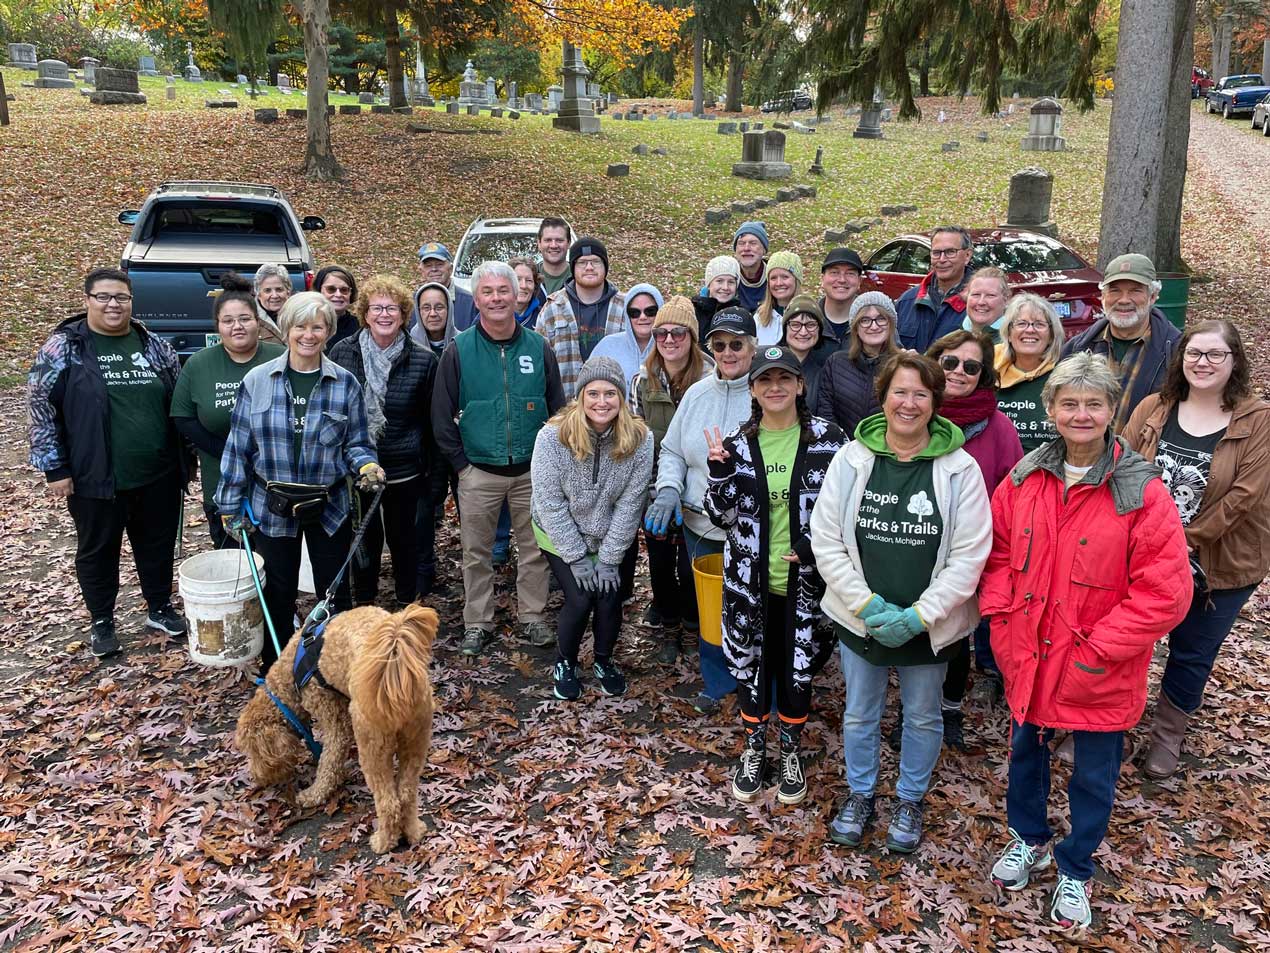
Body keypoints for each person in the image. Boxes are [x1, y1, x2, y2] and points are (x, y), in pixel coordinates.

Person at [980, 352, 1190, 931]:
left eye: (1092, 404)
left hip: (1099, 666)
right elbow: (995, 556)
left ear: (1110, 410)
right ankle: (1029, 839)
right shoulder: (1024, 478)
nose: (1080, 414)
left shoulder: (1139, 491)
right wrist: (1000, 623)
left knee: (1094, 775)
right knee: (1025, 757)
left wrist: (1100, 648)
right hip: (1029, 654)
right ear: (1050, 410)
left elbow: (1165, 593)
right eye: (1068, 403)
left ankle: (1075, 867)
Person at [811, 352, 991, 854]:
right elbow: (826, 539)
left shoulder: (960, 469)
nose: (908, 404)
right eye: (899, 392)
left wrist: (919, 615)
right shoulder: (852, 459)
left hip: (928, 626)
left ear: (935, 402)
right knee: (860, 712)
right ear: (883, 397)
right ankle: (861, 794)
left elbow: (970, 553)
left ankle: (909, 799)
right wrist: (866, 606)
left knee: (924, 714)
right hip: (860, 618)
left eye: (920, 394)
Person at [1124, 321, 1270, 780]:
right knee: (1128, 641)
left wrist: (1180, 544)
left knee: (1190, 651)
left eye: (1214, 355)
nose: (1201, 363)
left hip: (1220, 564)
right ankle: (1104, 725)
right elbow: (1123, 466)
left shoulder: (1258, 419)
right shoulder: (1155, 408)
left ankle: (1167, 734)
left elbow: (1244, 497)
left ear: (1234, 362)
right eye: (1193, 354)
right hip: (1142, 554)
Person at [703, 346, 845, 805]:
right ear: (754, 389)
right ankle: (753, 746)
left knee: (796, 670)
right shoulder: (738, 443)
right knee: (750, 665)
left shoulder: (829, 440)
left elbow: (846, 508)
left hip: (807, 585)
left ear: (801, 385)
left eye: (785, 378)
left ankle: (789, 750)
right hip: (750, 583)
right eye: (765, 380)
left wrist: (814, 545)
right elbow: (719, 516)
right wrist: (720, 475)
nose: (775, 387)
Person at [216, 292, 385, 672]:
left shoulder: (345, 384)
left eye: (318, 327)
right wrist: (229, 505)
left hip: (328, 506)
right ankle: (277, 668)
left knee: (335, 593)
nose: (308, 335)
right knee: (277, 593)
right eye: (300, 326)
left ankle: (332, 668)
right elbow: (238, 446)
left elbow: (356, 444)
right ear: (287, 329)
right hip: (270, 505)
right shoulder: (257, 380)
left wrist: (367, 466)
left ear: (328, 331)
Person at [28, 267, 191, 658]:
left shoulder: (153, 345)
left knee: (156, 544)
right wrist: (55, 467)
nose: (113, 304)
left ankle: (159, 607)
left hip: (158, 472)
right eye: (103, 296)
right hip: (94, 475)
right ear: (87, 300)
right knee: (98, 549)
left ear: (132, 300)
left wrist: (186, 455)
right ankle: (102, 620)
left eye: (121, 297)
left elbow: (177, 400)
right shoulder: (64, 347)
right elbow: (40, 407)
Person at [432, 261, 566, 656]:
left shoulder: (538, 347)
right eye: (487, 292)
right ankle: (478, 622)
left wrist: (549, 464)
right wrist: (462, 467)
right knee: (475, 553)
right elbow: (441, 417)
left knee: (534, 549)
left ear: (516, 295)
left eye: (502, 291)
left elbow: (558, 410)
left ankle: (532, 617)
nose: (496, 298)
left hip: (530, 472)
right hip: (478, 472)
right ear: (477, 299)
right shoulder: (459, 350)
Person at [650, 307, 758, 713]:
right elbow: (674, 449)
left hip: (750, 527)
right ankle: (716, 681)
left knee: (750, 605)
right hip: (700, 526)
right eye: (720, 345)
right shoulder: (696, 394)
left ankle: (753, 679)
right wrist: (667, 490)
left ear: (752, 346)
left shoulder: (764, 393)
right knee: (711, 608)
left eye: (736, 344)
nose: (728, 353)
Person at [921, 329, 1023, 748]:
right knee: (915, 634)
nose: (958, 372)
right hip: (914, 541)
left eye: (971, 366)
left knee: (955, 635)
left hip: (969, 550)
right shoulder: (915, 411)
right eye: (950, 362)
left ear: (983, 375)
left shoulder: (998, 428)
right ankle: (916, 712)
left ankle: (949, 710)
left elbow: (1013, 492)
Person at [531, 356, 654, 700]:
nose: (602, 402)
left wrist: (611, 557)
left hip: (613, 531)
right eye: (594, 393)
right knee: (581, 596)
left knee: (610, 596)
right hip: (559, 531)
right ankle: (565, 663)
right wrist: (577, 557)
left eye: (610, 393)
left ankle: (603, 660)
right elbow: (549, 504)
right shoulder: (552, 438)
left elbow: (631, 504)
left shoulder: (641, 441)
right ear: (581, 396)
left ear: (622, 398)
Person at [330, 275, 439, 605]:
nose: (384, 315)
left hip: (405, 468)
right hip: (358, 471)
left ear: (404, 314)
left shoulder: (422, 359)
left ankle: (407, 603)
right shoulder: (342, 353)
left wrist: (435, 477)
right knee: (365, 541)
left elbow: (432, 423)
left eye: (392, 308)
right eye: (376, 308)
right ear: (365, 313)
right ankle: (364, 603)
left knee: (405, 541)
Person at [172, 273, 284, 548]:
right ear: (217, 326)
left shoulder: (280, 357)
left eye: (245, 319)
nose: (238, 326)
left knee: (277, 569)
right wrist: (224, 449)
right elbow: (182, 416)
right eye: (228, 321)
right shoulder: (199, 363)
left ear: (257, 322)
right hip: (223, 483)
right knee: (234, 565)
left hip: (278, 487)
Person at [633, 296, 713, 662]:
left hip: (700, 492)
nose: (668, 339)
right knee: (662, 563)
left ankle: (694, 622)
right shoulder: (641, 382)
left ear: (692, 337)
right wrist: (652, 493)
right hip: (656, 487)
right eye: (661, 332)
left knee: (691, 566)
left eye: (678, 332)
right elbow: (636, 440)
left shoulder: (712, 379)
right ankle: (667, 627)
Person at [1060, 252, 1182, 433]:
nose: (1124, 300)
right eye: (1115, 290)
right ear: (1103, 296)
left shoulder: (1177, 352)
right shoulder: (1077, 348)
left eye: (1135, 290)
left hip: (1143, 458)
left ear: (1153, 296)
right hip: (1085, 456)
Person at [535, 236, 627, 398]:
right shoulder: (553, 308)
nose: (589, 267)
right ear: (573, 267)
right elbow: (540, 363)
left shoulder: (625, 307)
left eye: (596, 262)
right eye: (582, 262)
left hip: (613, 405)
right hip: (566, 407)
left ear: (605, 266)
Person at [814, 292, 900, 438]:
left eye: (881, 319)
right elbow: (825, 411)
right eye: (865, 320)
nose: (874, 326)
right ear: (855, 327)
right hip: (842, 450)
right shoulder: (836, 363)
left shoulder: (902, 366)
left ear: (891, 324)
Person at [994, 294, 1065, 453]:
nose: (1030, 330)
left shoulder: (1065, 377)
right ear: (1009, 334)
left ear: (1051, 335)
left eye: (1039, 324)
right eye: (1021, 323)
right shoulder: (989, 371)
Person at [895, 226, 974, 353]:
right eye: (936, 253)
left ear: (967, 256)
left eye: (950, 252)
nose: (942, 260)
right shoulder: (906, 301)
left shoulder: (978, 305)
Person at [591, 282, 661, 398]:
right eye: (635, 313)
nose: (643, 317)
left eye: (650, 311)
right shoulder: (607, 346)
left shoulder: (670, 346)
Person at [780, 294, 833, 406]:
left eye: (810, 325)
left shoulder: (824, 371)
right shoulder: (769, 363)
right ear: (785, 328)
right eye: (795, 325)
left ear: (819, 329)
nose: (803, 332)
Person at [414, 241, 478, 332]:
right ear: (421, 271)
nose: (434, 269)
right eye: (428, 266)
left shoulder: (471, 302)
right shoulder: (412, 303)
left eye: (439, 264)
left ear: (451, 268)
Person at [754, 250, 802, 346]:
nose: (779, 283)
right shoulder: (759, 318)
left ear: (796, 280)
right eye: (773, 278)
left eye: (785, 277)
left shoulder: (808, 315)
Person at [819, 247, 865, 345]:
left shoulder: (875, 322)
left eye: (850, 273)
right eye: (834, 273)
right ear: (822, 279)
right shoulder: (807, 319)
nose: (842, 280)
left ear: (859, 281)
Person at [693, 255, 741, 344]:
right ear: (709, 283)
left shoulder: (741, 314)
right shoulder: (693, 312)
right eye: (719, 281)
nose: (725, 287)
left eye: (731, 282)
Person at [315, 265, 359, 351]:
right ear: (319, 290)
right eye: (331, 289)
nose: (338, 295)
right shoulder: (306, 324)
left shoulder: (360, 328)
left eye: (344, 290)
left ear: (351, 293)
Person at [962, 266, 1011, 343]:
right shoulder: (952, 336)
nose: (981, 302)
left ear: (1006, 299)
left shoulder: (1012, 342)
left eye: (990, 295)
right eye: (976, 294)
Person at [408, 281, 456, 359]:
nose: (433, 314)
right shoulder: (408, 347)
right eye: (426, 308)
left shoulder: (462, 345)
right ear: (418, 311)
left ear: (449, 309)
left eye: (439, 307)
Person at [732, 221, 769, 312]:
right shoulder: (727, 277)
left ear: (764, 249)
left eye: (753, 243)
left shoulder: (775, 278)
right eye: (741, 243)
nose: (746, 248)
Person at [252, 262, 290, 344]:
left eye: (279, 289)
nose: (274, 295)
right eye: (267, 290)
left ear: (288, 291)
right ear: (258, 294)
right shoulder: (250, 319)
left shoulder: (299, 315)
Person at [536, 216, 573, 296]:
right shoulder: (528, 278)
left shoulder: (579, 278)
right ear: (539, 243)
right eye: (548, 240)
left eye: (559, 240)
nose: (553, 245)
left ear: (569, 243)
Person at [510, 256, 547, 327]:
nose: (523, 286)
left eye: (529, 280)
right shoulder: (494, 315)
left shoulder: (544, 316)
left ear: (535, 285)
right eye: (518, 279)